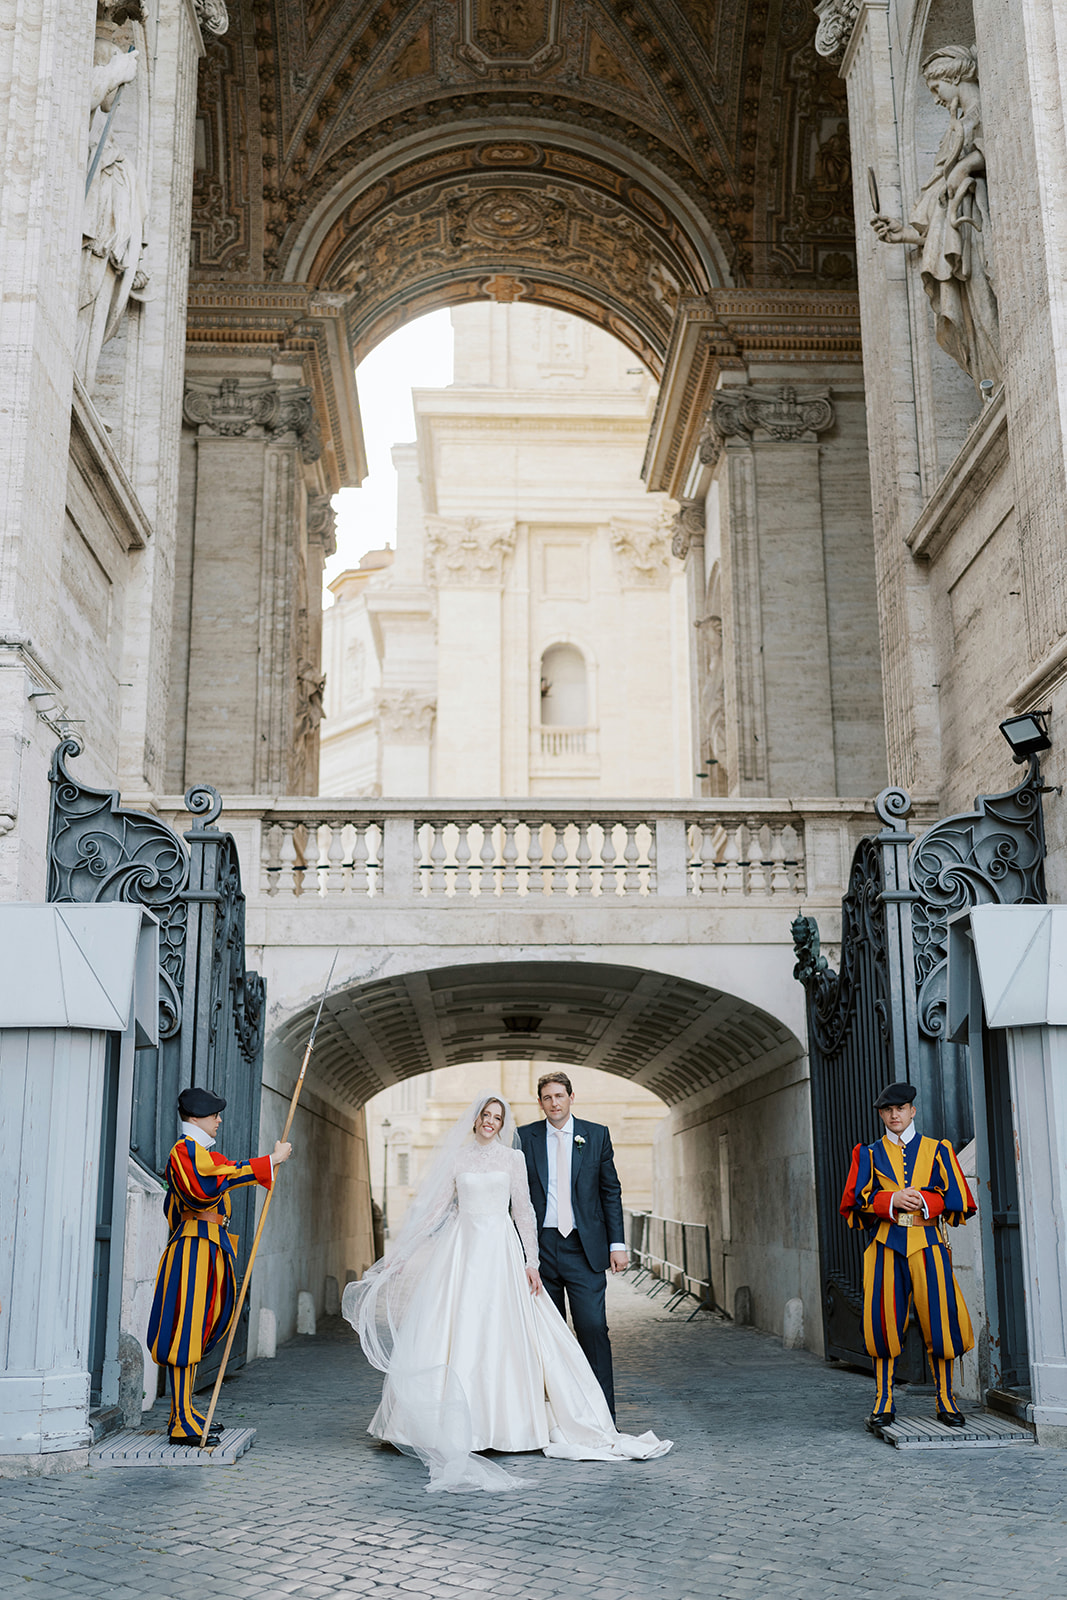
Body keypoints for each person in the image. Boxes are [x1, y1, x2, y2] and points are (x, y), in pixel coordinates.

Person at [342, 1093, 671, 1492]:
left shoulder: (513, 1159)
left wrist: (531, 1262)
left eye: (497, 1117)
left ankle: (507, 1427)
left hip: (501, 1251)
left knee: (502, 1335)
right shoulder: (458, 1159)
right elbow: (437, 1212)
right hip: (461, 1253)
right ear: (476, 1118)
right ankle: (439, 1426)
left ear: (503, 1123)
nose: (490, 1122)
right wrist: (399, 1255)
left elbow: (524, 1212)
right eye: (485, 1115)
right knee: (454, 1332)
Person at [147, 1087, 292, 1445]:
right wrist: (267, 1162)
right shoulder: (185, 1152)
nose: (219, 1121)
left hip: (208, 1248)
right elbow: (204, 1188)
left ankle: (185, 1410)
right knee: (185, 1332)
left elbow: (217, 1176)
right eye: (214, 1115)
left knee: (198, 1329)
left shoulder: (201, 1154)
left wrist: (265, 1166)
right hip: (194, 1250)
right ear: (197, 1117)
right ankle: (180, 1420)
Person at [839, 1081, 976, 1433]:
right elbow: (854, 1201)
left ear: (912, 1111)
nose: (894, 1114)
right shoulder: (868, 1154)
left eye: (900, 1109)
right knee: (883, 1324)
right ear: (882, 1114)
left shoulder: (938, 1149)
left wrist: (928, 1202)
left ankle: (946, 1399)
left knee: (941, 1322)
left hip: (928, 1242)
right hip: (886, 1243)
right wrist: (891, 1201)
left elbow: (959, 1197)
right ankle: (883, 1401)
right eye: (887, 1110)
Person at [870, 45, 999, 390]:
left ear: (955, 76)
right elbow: (939, 206)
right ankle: (994, 380)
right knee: (976, 318)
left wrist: (967, 165)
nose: (937, 98)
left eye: (936, 89)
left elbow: (1003, 142)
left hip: (981, 228)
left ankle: (1001, 374)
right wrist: (905, 235)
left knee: (989, 310)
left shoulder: (986, 109)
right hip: (961, 232)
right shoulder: (955, 129)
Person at [516, 1071, 626, 1416]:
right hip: (540, 1247)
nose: (554, 1103)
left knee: (593, 1328)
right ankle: (550, 1417)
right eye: (547, 1098)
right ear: (540, 1102)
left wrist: (617, 1243)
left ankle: (602, 1416)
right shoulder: (523, 1138)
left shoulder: (596, 1135)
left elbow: (610, 1191)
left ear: (571, 1097)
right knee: (544, 1336)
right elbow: (513, 1196)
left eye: (559, 1096)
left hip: (584, 1248)